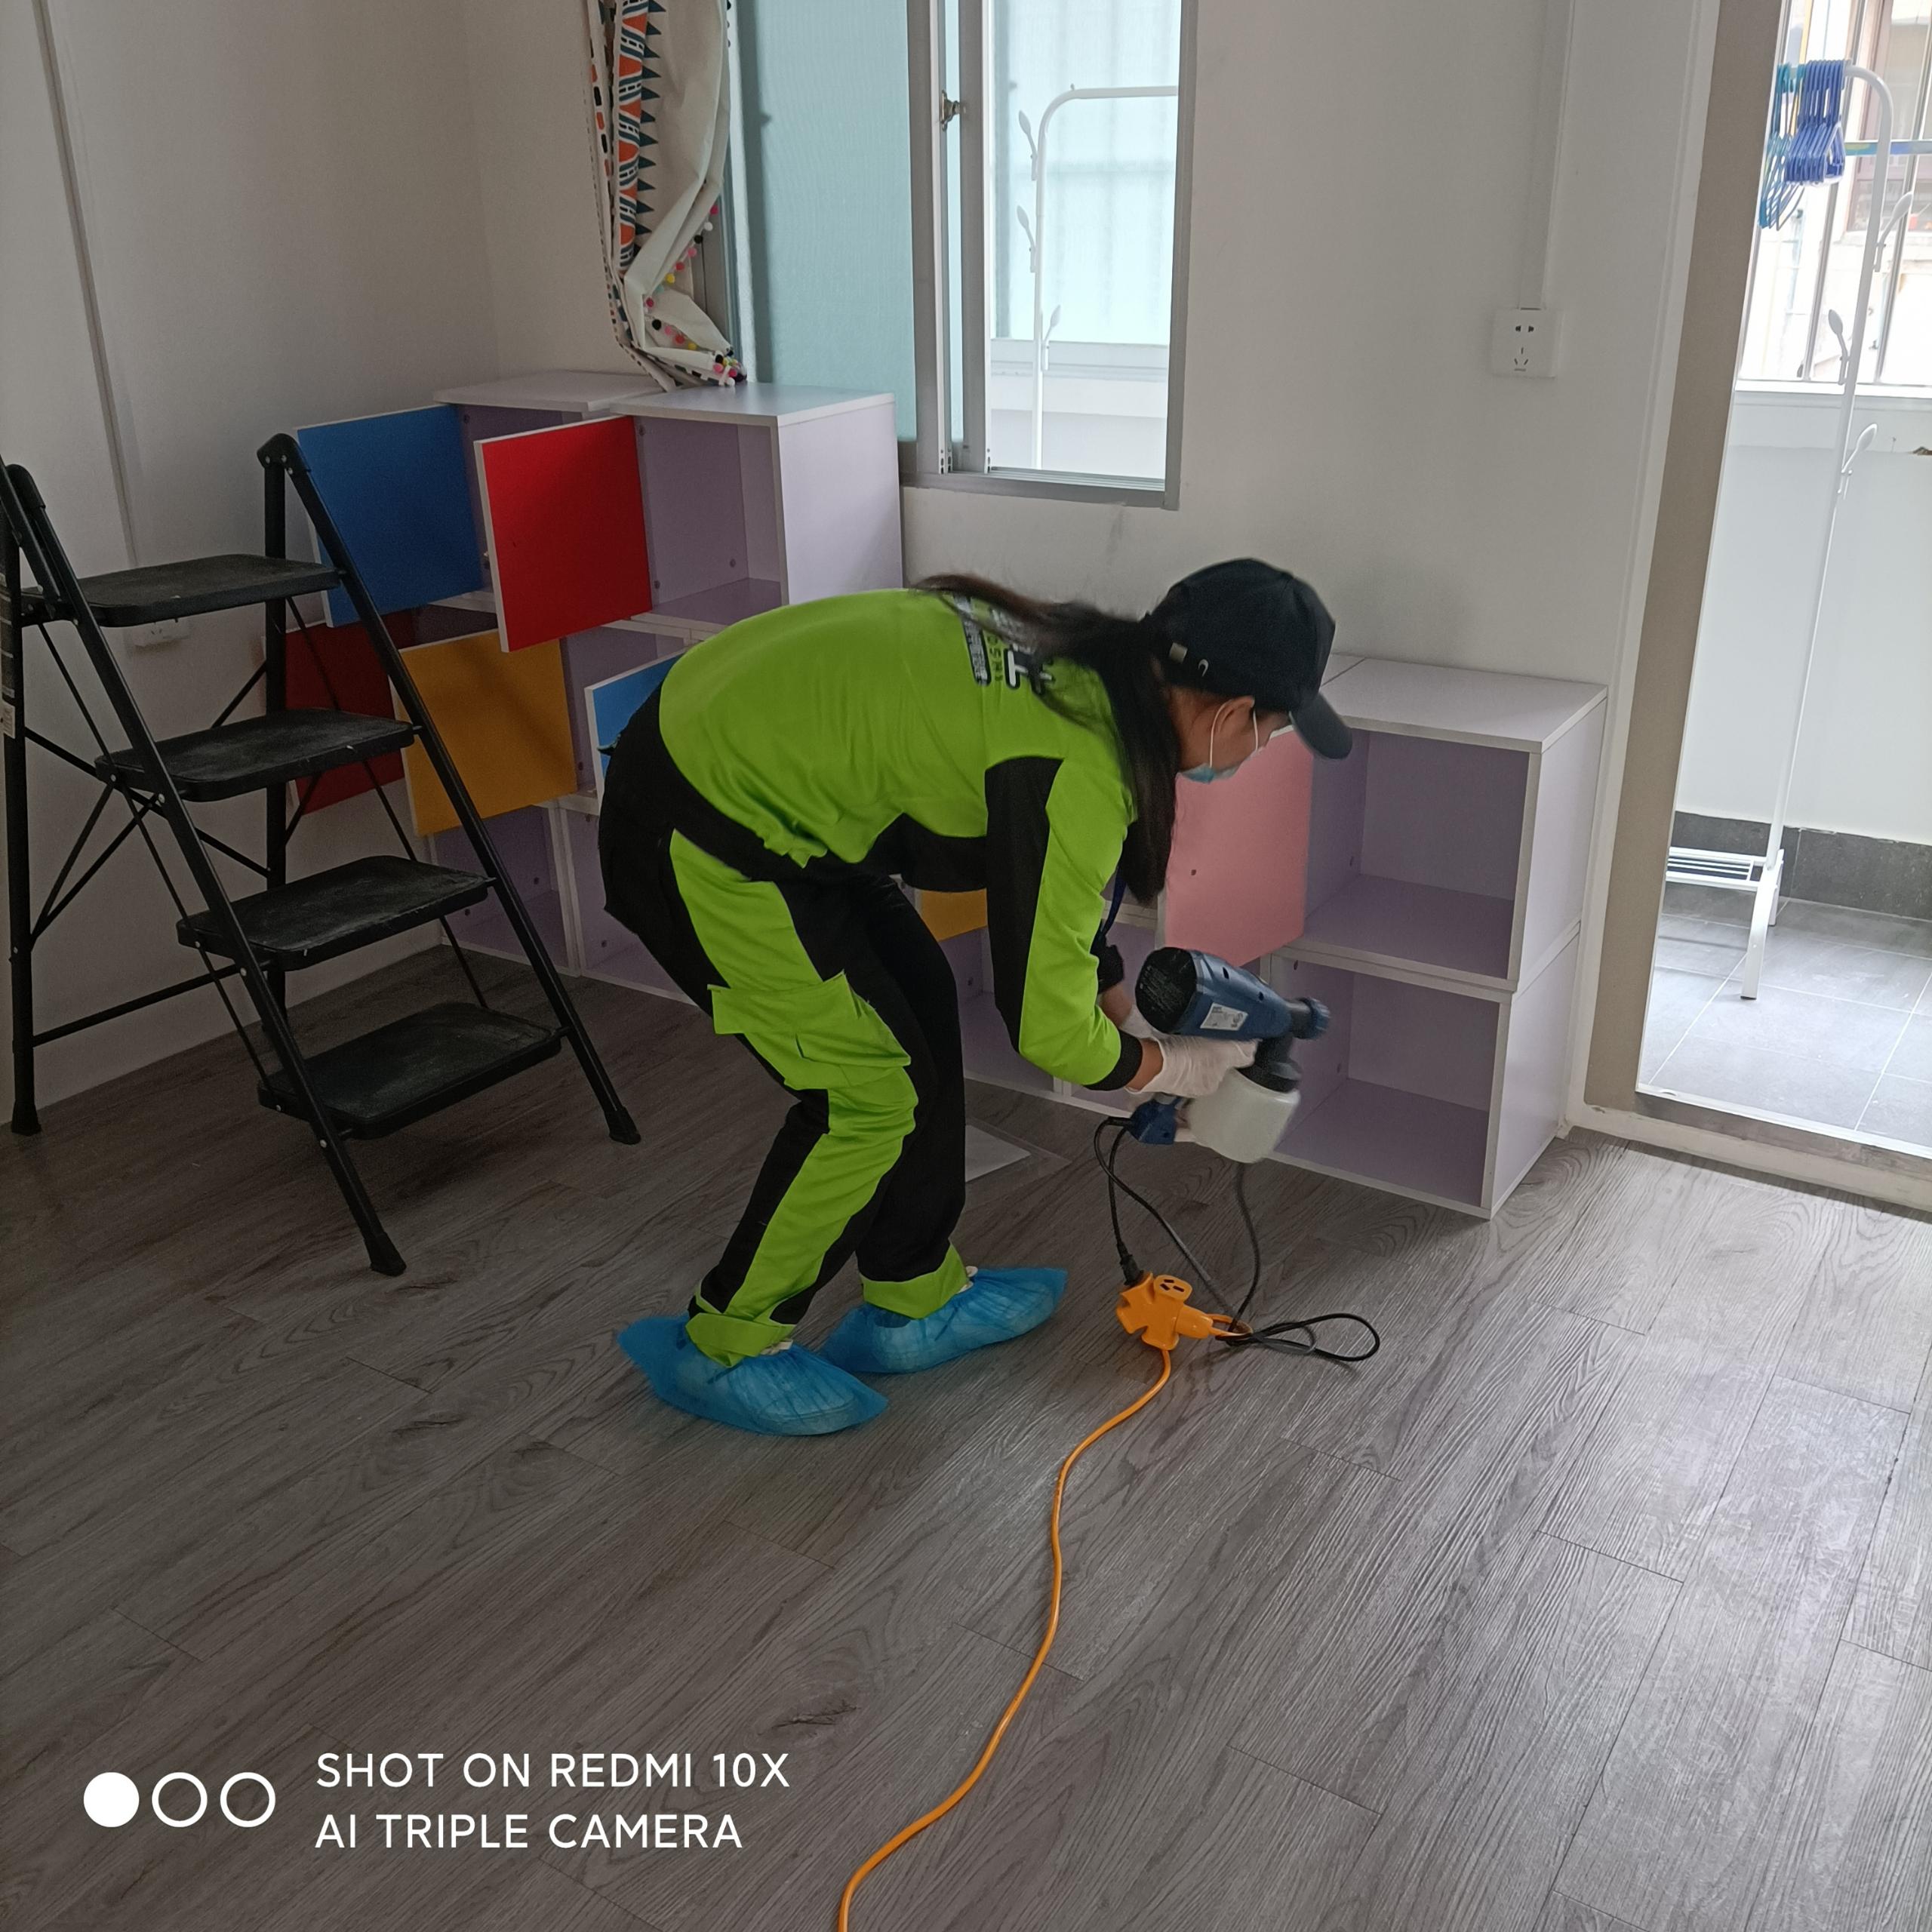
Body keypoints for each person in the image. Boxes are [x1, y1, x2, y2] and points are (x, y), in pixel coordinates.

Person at [598, 558, 1352, 1435]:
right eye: (1272, 731)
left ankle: (910, 1294)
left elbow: (1061, 909)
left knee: (918, 1002)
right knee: (868, 1094)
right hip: (699, 820)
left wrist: (1132, 1027)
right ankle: (724, 1342)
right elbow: (1048, 1031)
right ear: (1231, 713)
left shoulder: (1097, 667)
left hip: (764, 777)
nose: (1261, 750)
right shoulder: (1081, 763)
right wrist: (1171, 1069)